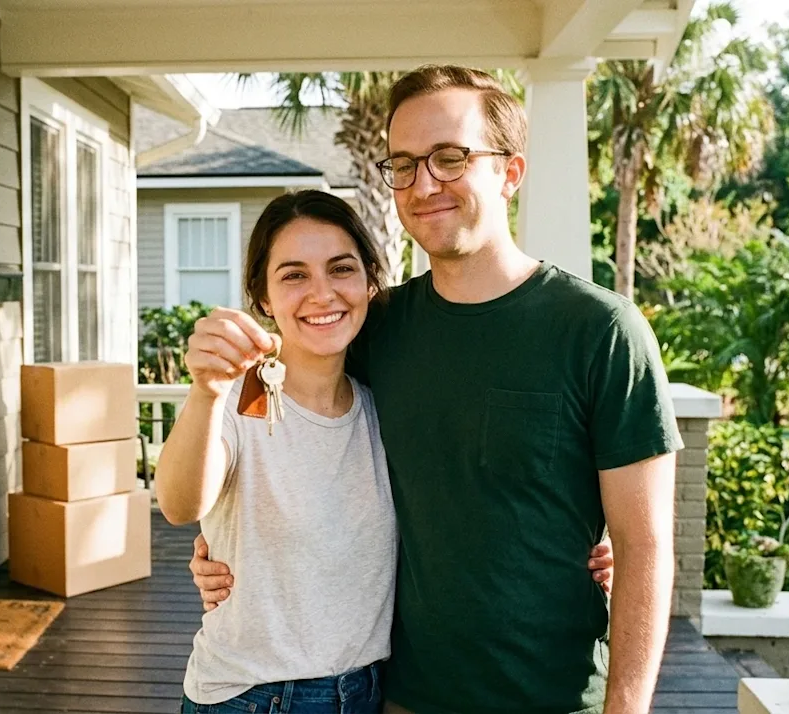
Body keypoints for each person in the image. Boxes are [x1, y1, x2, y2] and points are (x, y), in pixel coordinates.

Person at [189, 65, 682, 714]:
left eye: (450, 158)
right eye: (404, 164)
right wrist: (221, 542)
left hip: (558, 699)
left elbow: (646, 551)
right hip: (402, 697)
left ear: (510, 171)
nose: (424, 184)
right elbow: (265, 414)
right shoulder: (377, 327)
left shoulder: (602, 332)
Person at [157, 190, 615, 714]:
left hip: (371, 692)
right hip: (253, 696)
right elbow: (179, 504)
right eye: (294, 275)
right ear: (262, 296)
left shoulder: (383, 402)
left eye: (341, 269)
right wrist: (206, 391)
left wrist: (582, 548)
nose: (322, 293)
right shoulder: (240, 398)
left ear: (371, 282)